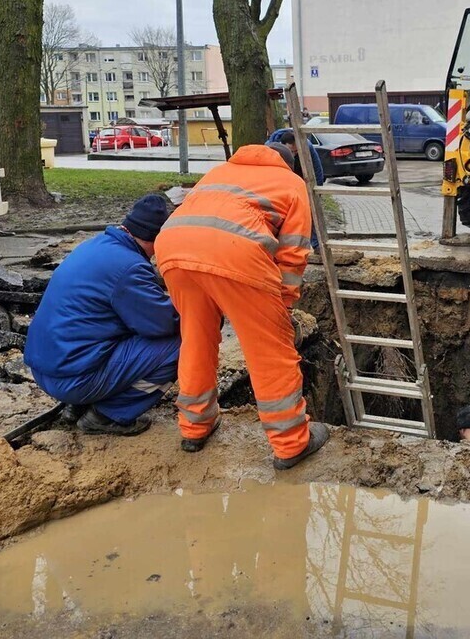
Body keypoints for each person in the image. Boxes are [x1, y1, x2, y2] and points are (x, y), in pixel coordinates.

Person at [155, 142, 330, 469]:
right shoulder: (292, 184)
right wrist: (284, 308)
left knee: (195, 337)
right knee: (269, 350)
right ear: (287, 165)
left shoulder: (219, 172)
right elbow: (292, 256)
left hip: (173, 249)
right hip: (235, 252)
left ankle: (195, 427)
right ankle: (291, 444)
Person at [24, 195, 179, 435]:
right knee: (181, 344)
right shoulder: (131, 268)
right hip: (72, 379)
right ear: (157, 239)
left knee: (107, 328)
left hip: (45, 368)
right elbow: (163, 324)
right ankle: (107, 415)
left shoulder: (94, 245)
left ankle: (78, 406)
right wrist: (196, 311)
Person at [268, 128, 323, 250]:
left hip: (301, 178)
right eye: (291, 152)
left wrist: (316, 191)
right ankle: (277, 246)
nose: (294, 155)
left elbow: (317, 168)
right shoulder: (270, 148)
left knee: (310, 212)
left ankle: (317, 245)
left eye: (296, 151)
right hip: (280, 181)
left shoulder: (306, 146)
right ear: (282, 146)